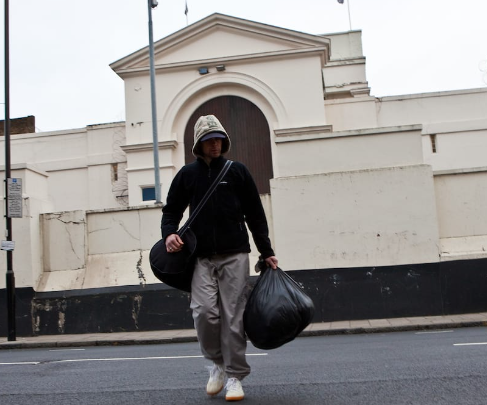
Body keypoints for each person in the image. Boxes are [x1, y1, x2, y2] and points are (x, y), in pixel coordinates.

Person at [161, 114, 278, 401]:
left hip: (235, 254)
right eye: (208, 140)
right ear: (198, 145)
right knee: (204, 313)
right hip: (200, 257)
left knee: (234, 317)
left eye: (218, 139)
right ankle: (216, 365)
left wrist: (267, 251)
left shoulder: (237, 171)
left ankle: (235, 376)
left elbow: (255, 214)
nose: (214, 145)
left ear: (224, 142)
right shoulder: (187, 175)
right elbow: (171, 211)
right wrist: (169, 234)